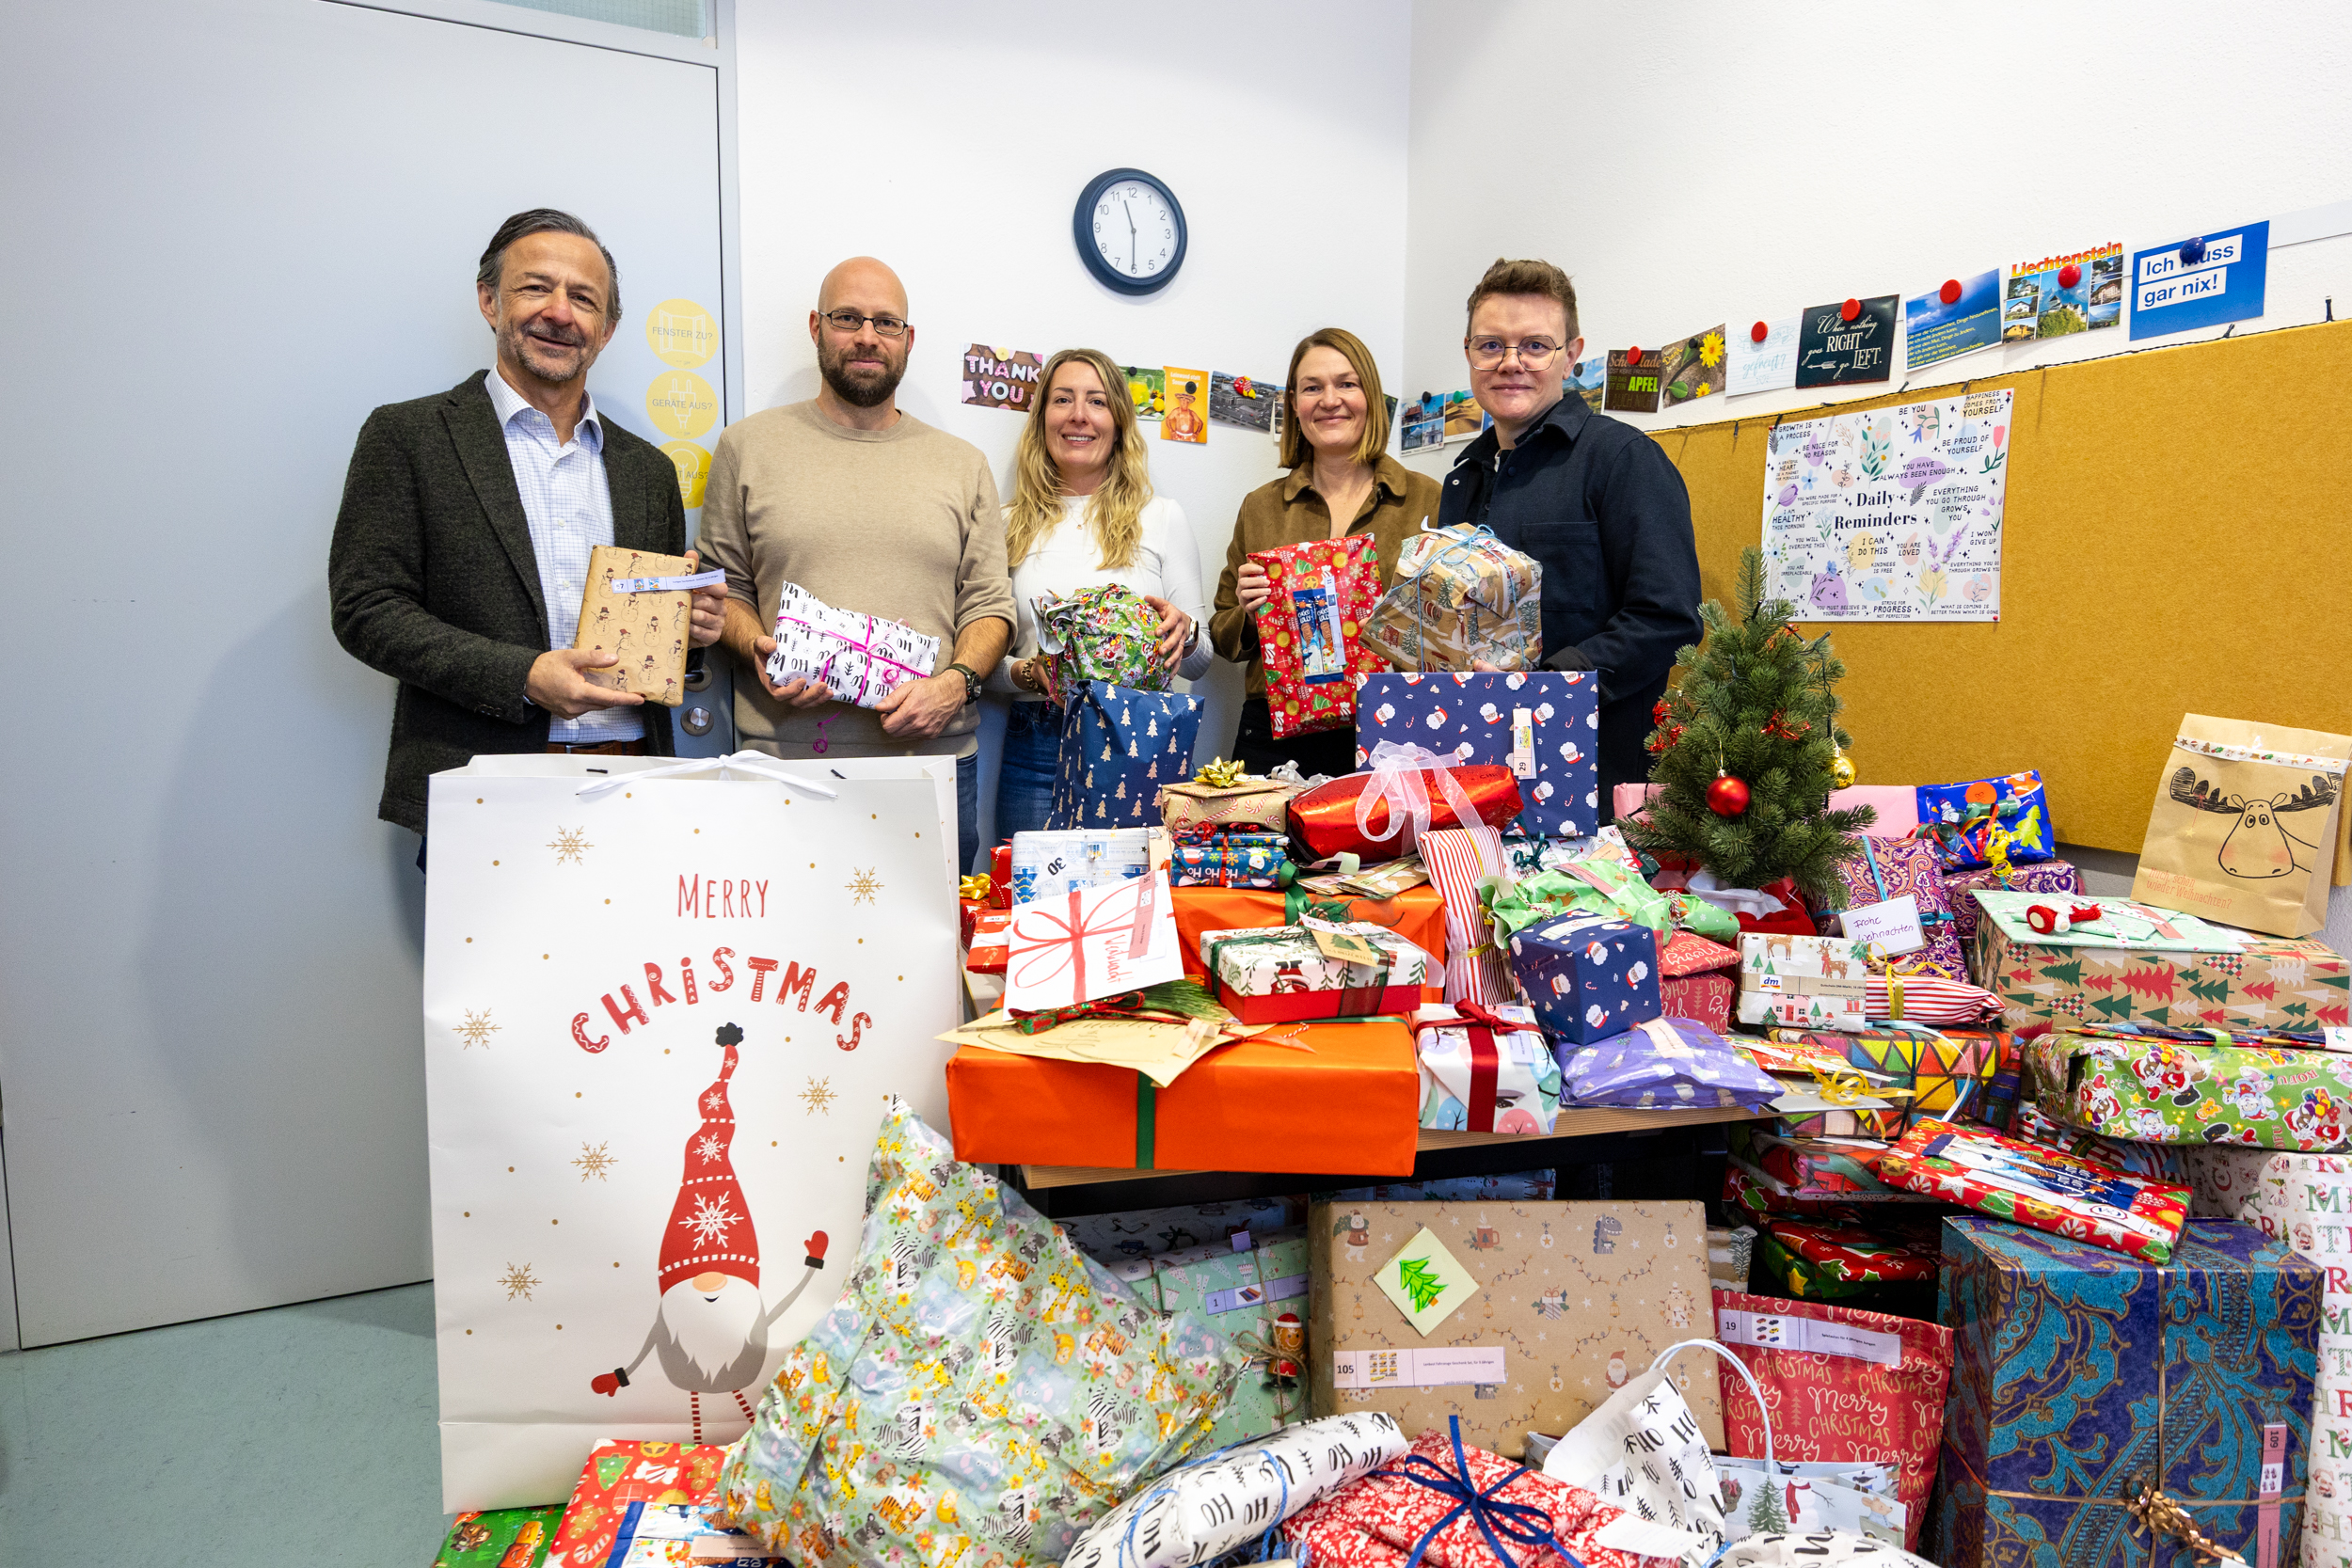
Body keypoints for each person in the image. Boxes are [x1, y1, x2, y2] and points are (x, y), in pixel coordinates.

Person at [329, 209, 726, 859]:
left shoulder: (648, 469)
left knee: (631, 966)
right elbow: (366, 610)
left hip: (636, 782)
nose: (560, 313)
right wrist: (524, 674)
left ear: (608, 328)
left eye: (584, 299)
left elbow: (653, 645)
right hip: (482, 785)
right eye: (536, 287)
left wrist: (692, 635)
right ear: (489, 300)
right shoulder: (408, 438)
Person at [701, 257, 1012, 876]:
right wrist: (755, 646)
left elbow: (990, 607)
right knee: (790, 949)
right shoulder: (747, 447)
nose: (867, 336)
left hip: (933, 763)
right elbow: (723, 588)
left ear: (908, 339)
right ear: (817, 326)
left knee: (932, 958)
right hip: (783, 760)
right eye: (848, 318)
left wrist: (952, 685)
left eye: (885, 322)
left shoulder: (962, 463)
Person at [1437, 258, 1702, 813]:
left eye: (1535, 345)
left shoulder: (1624, 460)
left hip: (1592, 778)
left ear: (1572, 356)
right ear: (1468, 353)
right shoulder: (1462, 478)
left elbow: (1668, 619)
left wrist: (1544, 682)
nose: (1511, 363)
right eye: (1491, 346)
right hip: (1476, 765)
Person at [992, 348, 1212, 839]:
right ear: (1042, 418)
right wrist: (1028, 673)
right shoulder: (1006, 525)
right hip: (1039, 746)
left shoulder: (1161, 517)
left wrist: (1186, 634)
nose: (1079, 416)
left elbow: (1201, 663)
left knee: (1139, 907)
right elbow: (982, 666)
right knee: (1033, 908)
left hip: (1142, 739)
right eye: (1062, 399)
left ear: (1117, 420)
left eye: (1096, 401)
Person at [1209, 327, 1439, 776]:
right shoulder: (1261, 506)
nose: (1329, 400)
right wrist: (1249, 608)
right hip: (1276, 738)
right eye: (1312, 388)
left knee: (1394, 851)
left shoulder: (1428, 500)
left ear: (1370, 396)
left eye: (1346, 384)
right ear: (1295, 405)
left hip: (1394, 729)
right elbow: (1223, 637)